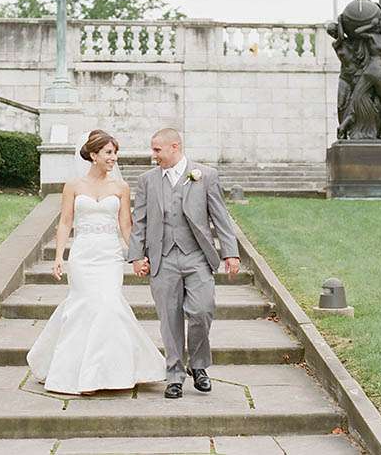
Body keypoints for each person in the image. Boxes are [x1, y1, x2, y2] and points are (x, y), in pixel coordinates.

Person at [27, 130, 165, 395]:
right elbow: (65, 221)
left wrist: (136, 255)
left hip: (110, 256)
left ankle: (107, 373)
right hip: (82, 256)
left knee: (110, 305)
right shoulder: (74, 186)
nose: (114, 159)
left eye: (115, 153)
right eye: (108, 153)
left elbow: (126, 225)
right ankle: (79, 375)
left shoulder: (121, 187)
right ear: (93, 155)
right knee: (84, 307)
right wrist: (59, 257)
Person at [127, 128, 241, 399]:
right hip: (163, 257)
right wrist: (136, 256)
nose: (153, 155)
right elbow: (139, 221)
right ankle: (175, 375)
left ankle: (199, 365)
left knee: (202, 310)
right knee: (169, 318)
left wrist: (231, 253)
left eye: (157, 150)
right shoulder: (147, 180)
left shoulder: (205, 176)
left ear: (174, 147)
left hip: (196, 256)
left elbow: (221, 217)